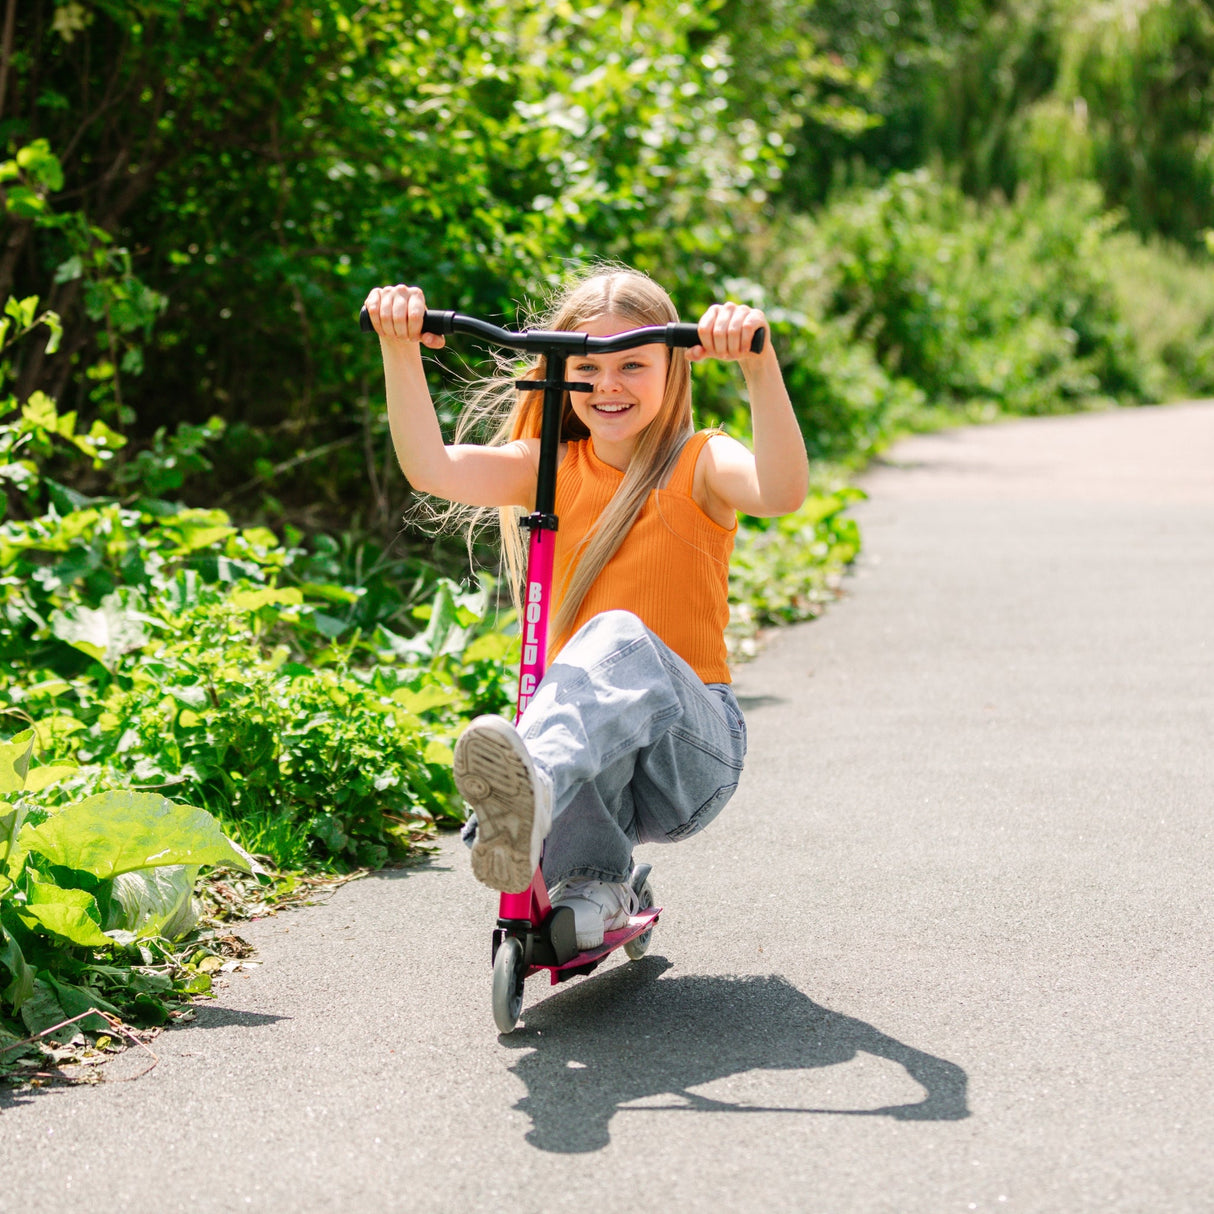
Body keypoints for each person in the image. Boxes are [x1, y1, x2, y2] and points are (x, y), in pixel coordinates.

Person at [363, 267, 808, 949]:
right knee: (560, 703)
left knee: (616, 636)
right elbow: (434, 469)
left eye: (632, 363)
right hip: (592, 765)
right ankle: (594, 878)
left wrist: (758, 364)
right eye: (588, 365)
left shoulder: (701, 461)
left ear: (674, 365)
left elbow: (780, 491)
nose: (607, 384)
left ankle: (529, 790)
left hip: (692, 751)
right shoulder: (548, 465)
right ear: (559, 369)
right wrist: (399, 346)